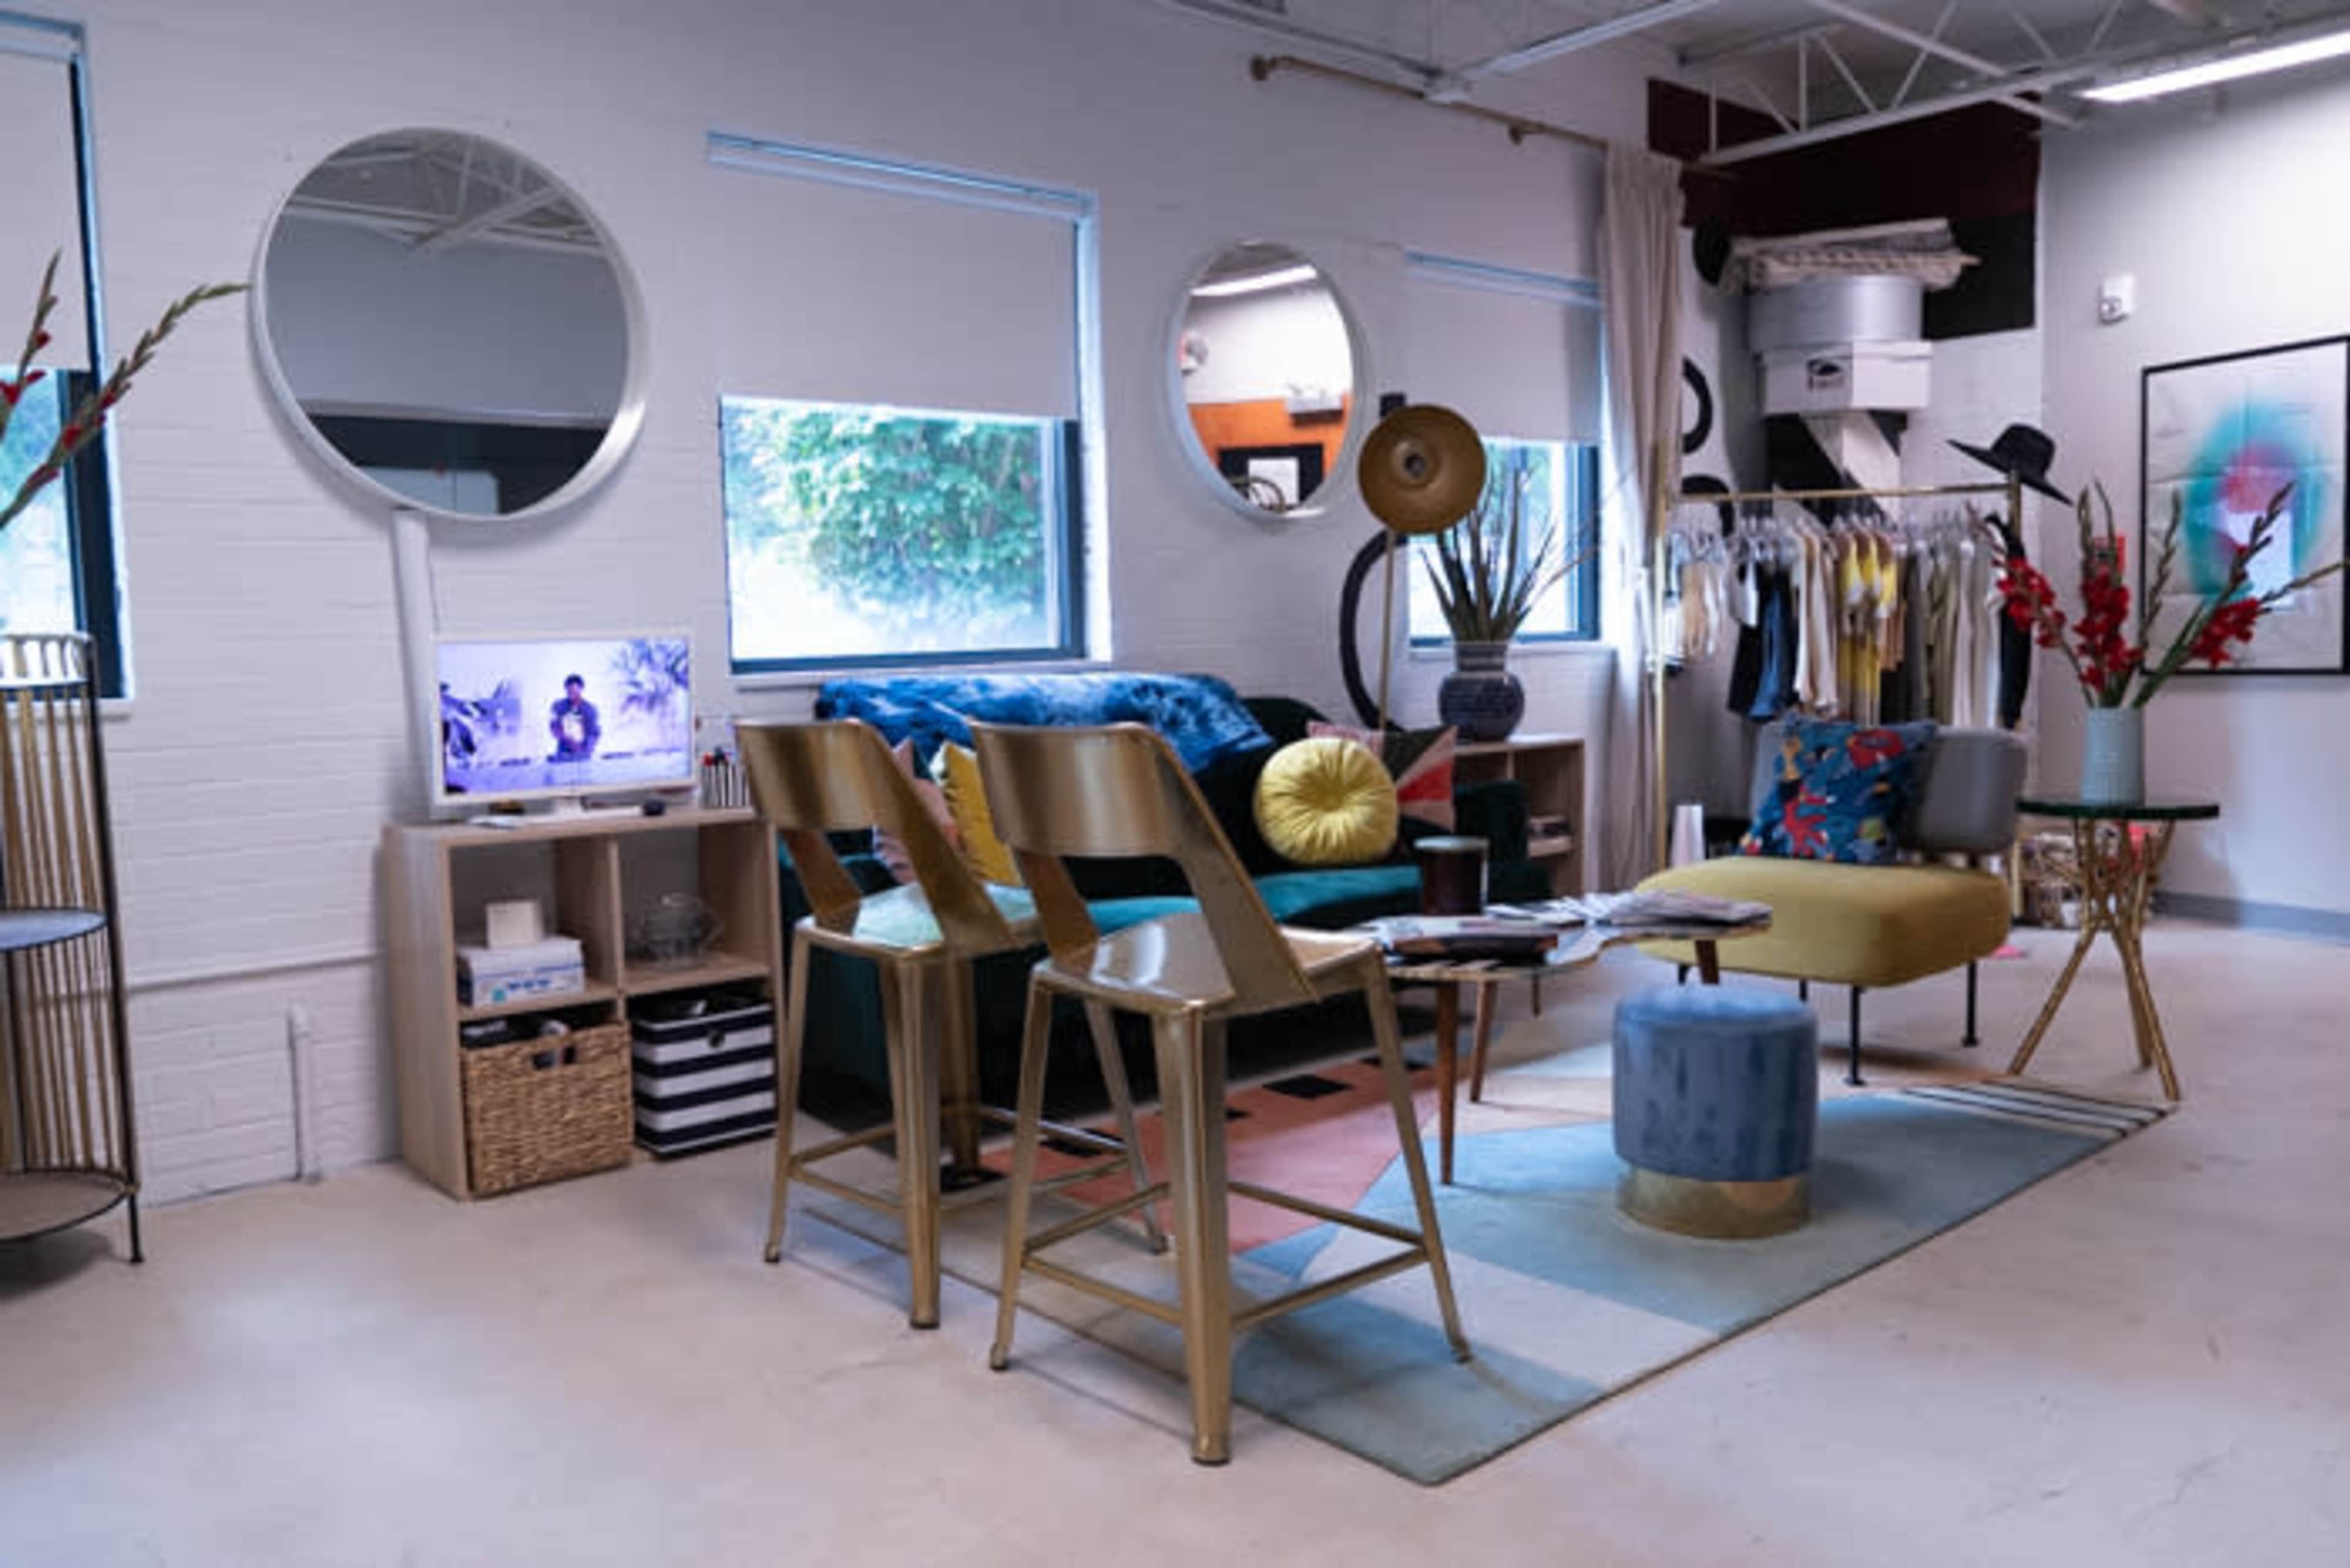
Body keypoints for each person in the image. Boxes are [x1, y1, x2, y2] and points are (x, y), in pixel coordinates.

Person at [549, 674, 601, 762]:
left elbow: (594, 732)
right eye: (569, 690)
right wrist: (567, 739)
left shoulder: (590, 709)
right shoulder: (559, 707)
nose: (571, 693)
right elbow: (554, 726)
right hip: (563, 754)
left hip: (584, 754)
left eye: (574, 690)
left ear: (581, 689)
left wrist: (586, 748)